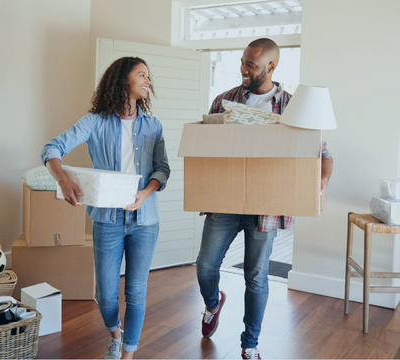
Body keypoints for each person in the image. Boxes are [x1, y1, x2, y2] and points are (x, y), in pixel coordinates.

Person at [196, 38, 334, 360]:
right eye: (243, 62)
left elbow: (323, 154)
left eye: (251, 65)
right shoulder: (224, 101)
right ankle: (213, 303)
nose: (244, 69)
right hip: (225, 202)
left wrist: (322, 182)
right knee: (205, 266)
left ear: (271, 67)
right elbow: (205, 148)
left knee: (256, 276)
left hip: (266, 207)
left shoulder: (292, 106)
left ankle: (250, 344)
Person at [41, 57, 170, 359]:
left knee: (136, 292)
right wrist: (63, 181)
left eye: (148, 76)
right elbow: (52, 149)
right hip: (108, 221)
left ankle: (128, 352)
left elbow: (163, 168)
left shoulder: (153, 126)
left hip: (145, 221)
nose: (148, 81)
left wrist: (145, 193)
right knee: (105, 295)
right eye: (142, 75)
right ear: (123, 79)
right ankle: (115, 333)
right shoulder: (95, 122)